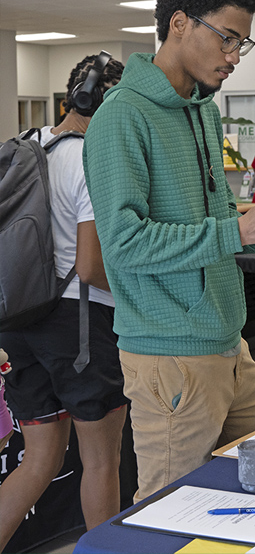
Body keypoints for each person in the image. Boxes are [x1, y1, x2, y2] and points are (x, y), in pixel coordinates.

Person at [83, 0, 255, 502]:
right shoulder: (121, 117)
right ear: (179, 23)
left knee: (254, 498)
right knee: (171, 512)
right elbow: (123, 246)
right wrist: (239, 234)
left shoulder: (201, 109)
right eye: (226, 38)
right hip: (168, 354)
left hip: (228, 342)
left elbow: (211, 223)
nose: (234, 57)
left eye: (242, 43)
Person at [0, 54, 129, 550]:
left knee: (40, 460)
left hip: (16, 321)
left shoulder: (25, 145)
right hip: (77, 325)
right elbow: (92, 267)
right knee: (101, 461)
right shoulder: (91, 159)